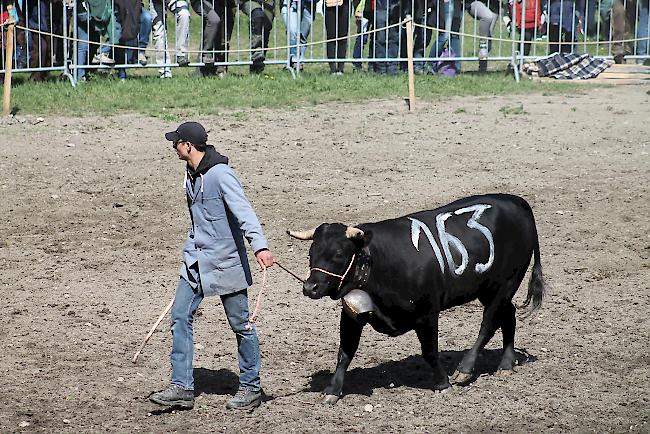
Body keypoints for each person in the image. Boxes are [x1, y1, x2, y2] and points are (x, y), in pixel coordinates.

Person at [150, 121, 276, 411]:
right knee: (180, 316)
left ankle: (251, 387)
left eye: (176, 142)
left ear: (188, 146)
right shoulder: (190, 175)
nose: (173, 147)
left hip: (225, 262)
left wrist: (261, 246)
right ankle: (181, 386)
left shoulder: (221, 176)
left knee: (241, 325)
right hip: (195, 261)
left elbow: (245, 212)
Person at [149, 0, 192, 78]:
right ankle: (165, 72)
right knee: (159, 30)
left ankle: (181, 54)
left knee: (184, 15)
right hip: (155, 2)